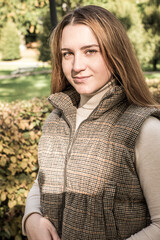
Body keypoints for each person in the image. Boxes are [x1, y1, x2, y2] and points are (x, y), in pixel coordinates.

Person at [22, 5, 160, 240]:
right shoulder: (55, 121)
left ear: (115, 52)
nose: (76, 66)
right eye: (68, 54)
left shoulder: (145, 130)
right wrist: (31, 218)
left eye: (90, 51)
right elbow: (42, 180)